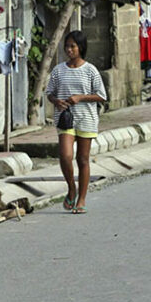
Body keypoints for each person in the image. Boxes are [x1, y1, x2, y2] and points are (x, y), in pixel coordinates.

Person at [46, 31, 107, 214]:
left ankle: (81, 199)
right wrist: (56, 101)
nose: (69, 50)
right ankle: (71, 188)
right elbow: (50, 92)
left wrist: (80, 97)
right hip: (65, 118)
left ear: (81, 47)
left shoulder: (90, 70)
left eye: (73, 46)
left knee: (82, 159)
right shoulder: (58, 70)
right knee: (65, 155)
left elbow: (101, 96)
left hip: (86, 118)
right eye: (67, 46)